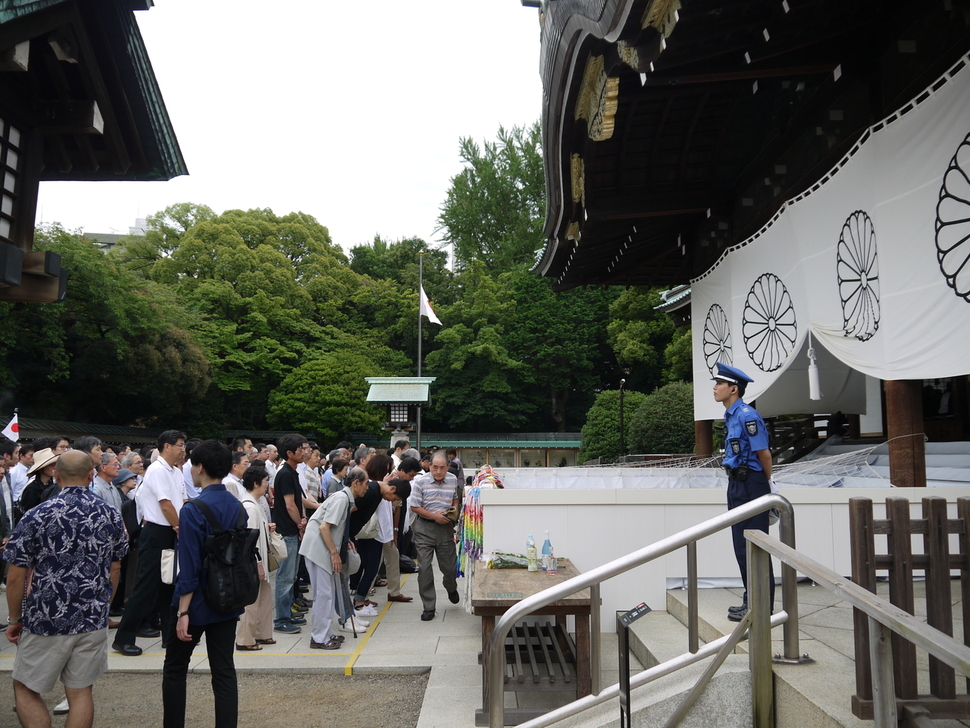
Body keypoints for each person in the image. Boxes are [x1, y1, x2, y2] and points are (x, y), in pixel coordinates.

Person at [3, 450, 127, 728]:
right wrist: (104, 604)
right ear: (91, 474)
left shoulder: (37, 514)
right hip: (92, 614)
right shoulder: (110, 514)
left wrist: (15, 618)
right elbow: (115, 567)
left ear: (55, 474)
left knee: (25, 686)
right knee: (81, 692)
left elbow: (15, 575)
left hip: (46, 615)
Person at [163, 440, 243, 728]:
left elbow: (189, 565)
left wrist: (183, 612)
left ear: (200, 467)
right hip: (227, 597)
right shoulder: (237, 505)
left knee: (175, 668)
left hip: (195, 601)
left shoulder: (192, 509)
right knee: (224, 671)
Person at [113, 430, 187, 656]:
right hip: (158, 532)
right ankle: (123, 637)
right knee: (145, 587)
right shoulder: (157, 470)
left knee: (169, 585)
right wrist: (178, 527)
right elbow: (165, 504)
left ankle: (169, 636)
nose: (183, 449)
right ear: (167, 446)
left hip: (172, 530)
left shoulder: (175, 471)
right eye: (180, 445)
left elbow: (182, 500)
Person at [712, 362, 775, 622]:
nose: (715, 388)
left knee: (756, 544)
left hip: (753, 484)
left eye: (719, 384)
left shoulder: (748, 415)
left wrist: (766, 486)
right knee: (740, 546)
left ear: (733, 389)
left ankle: (762, 605)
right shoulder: (731, 415)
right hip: (736, 483)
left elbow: (764, 454)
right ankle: (751, 600)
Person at [300, 466, 369, 649]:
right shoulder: (341, 498)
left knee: (328, 594)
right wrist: (334, 553)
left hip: (322, 549)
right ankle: (319, 637)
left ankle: (325, 633)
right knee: (324, 595)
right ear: (356, 483)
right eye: (366, 483)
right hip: (318, 550)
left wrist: (344, 543)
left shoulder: (345, 498)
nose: (367, 487)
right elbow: (324, 527)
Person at [410, 451, 460, 621]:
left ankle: (451, 587)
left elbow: (455, 498)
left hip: (445, 528)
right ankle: (429, 607)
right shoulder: (420, 482)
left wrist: (455, 508)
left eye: (442, 468)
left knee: (450, 568)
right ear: (429, 466)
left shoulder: (452, 479)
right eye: (434, 467)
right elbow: (415, 506)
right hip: (424, 528)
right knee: (424, 567)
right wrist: (434, 516)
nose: (438, 471)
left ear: (448, 466)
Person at [272, 433, 309, 634]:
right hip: (286, 532)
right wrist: (300, 522)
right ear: (289, 453)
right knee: (285, 577)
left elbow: (298, 501)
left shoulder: (292, 472)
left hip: (292, 531)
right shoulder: (285, 473)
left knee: (292, 576)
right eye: (300, 449)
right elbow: (289, 505)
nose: (304, 452)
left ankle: (287, 613)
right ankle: (281, 619)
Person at [235, 465, 275, 651]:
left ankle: (262, 633)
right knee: (251, 601)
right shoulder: (249, 507)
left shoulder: (255, 503)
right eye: (265, 481)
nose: (267, 485)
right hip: (254, 560)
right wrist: (257, 562)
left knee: (264, 598)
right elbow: (248, 541)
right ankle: (245, 639)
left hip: (260, 559)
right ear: (257, 483)